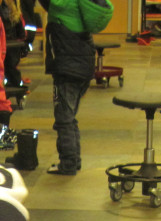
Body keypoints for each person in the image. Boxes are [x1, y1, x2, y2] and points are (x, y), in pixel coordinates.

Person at [40, 0, 114, 175]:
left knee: (64, 118)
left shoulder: (61, 3)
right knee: (70, 116)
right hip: (83, 64)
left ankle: (68, 163)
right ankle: (74, 160)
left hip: (67, 67)